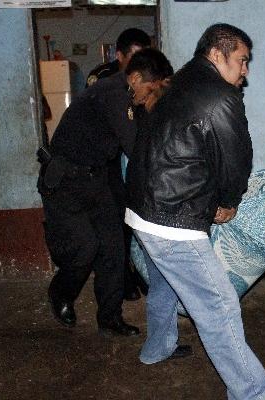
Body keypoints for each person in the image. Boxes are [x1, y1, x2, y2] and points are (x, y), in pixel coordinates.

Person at [125, 24, 265, 400]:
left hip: (141, 207)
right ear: (218, 54)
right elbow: (236, 160)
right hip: (172, 218)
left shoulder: (178, 81)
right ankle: (253, 394)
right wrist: (228, 203)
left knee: (163, 281)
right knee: (218, 305)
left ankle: (157, 348)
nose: (246, 70)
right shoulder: (220, 97)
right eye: (242, 60)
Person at [39, 48, 173, 337]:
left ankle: (110, 319)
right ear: (135, 78)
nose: (150, 96)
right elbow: (136, 148)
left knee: (113, 248)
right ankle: (60, 292)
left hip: (96, 178)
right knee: (84, 248)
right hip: (65, 181)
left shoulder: (130, 96)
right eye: (150, 89)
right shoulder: (114, 94)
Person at [86, 28, 154, 301]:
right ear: (119, 56)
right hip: (110, 161)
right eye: (134, 58)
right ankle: (124, 278)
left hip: (132, 153)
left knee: (139, 222)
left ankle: (141, 275)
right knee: (118, 225)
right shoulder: (103, 79)